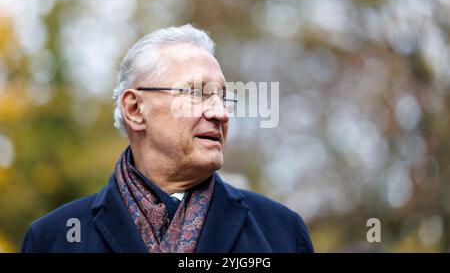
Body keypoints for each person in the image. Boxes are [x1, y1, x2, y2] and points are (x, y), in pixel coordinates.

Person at [21, 24, 314, 253]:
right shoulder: (54, 238)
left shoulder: (281, 232)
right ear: (135, 109)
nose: (220, 112)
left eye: (223, 97)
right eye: (197, 93)